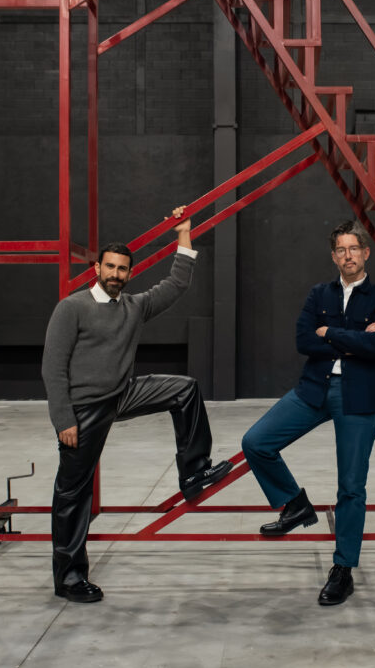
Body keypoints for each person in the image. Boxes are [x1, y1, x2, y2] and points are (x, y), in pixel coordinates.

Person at [42, 206, 233, 603]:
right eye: (110, 267)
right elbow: (53, 367)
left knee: (185, 389)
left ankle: (194, 470)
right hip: (85, 408)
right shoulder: (72, 307)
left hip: (123, 392)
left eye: (123, 269)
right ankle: (69, 578)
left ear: (130, 273)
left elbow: (177, 283)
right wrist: (64, 419)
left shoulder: (134, 306)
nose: (116, 274)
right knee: (73, 493)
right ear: (97, 268)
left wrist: (183, 232)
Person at [242, 220, 375, 606]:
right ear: (334, 256)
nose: (348, 255)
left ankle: (343, 569)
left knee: (351, 486)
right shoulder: (319, 293)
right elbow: (303, 340)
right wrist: (353, 339)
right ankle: (295, 503)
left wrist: (329, 332)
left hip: (360, 396)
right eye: (341, 250)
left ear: (365, 253)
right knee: (256, 442)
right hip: (314, 389)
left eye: (354, 248)